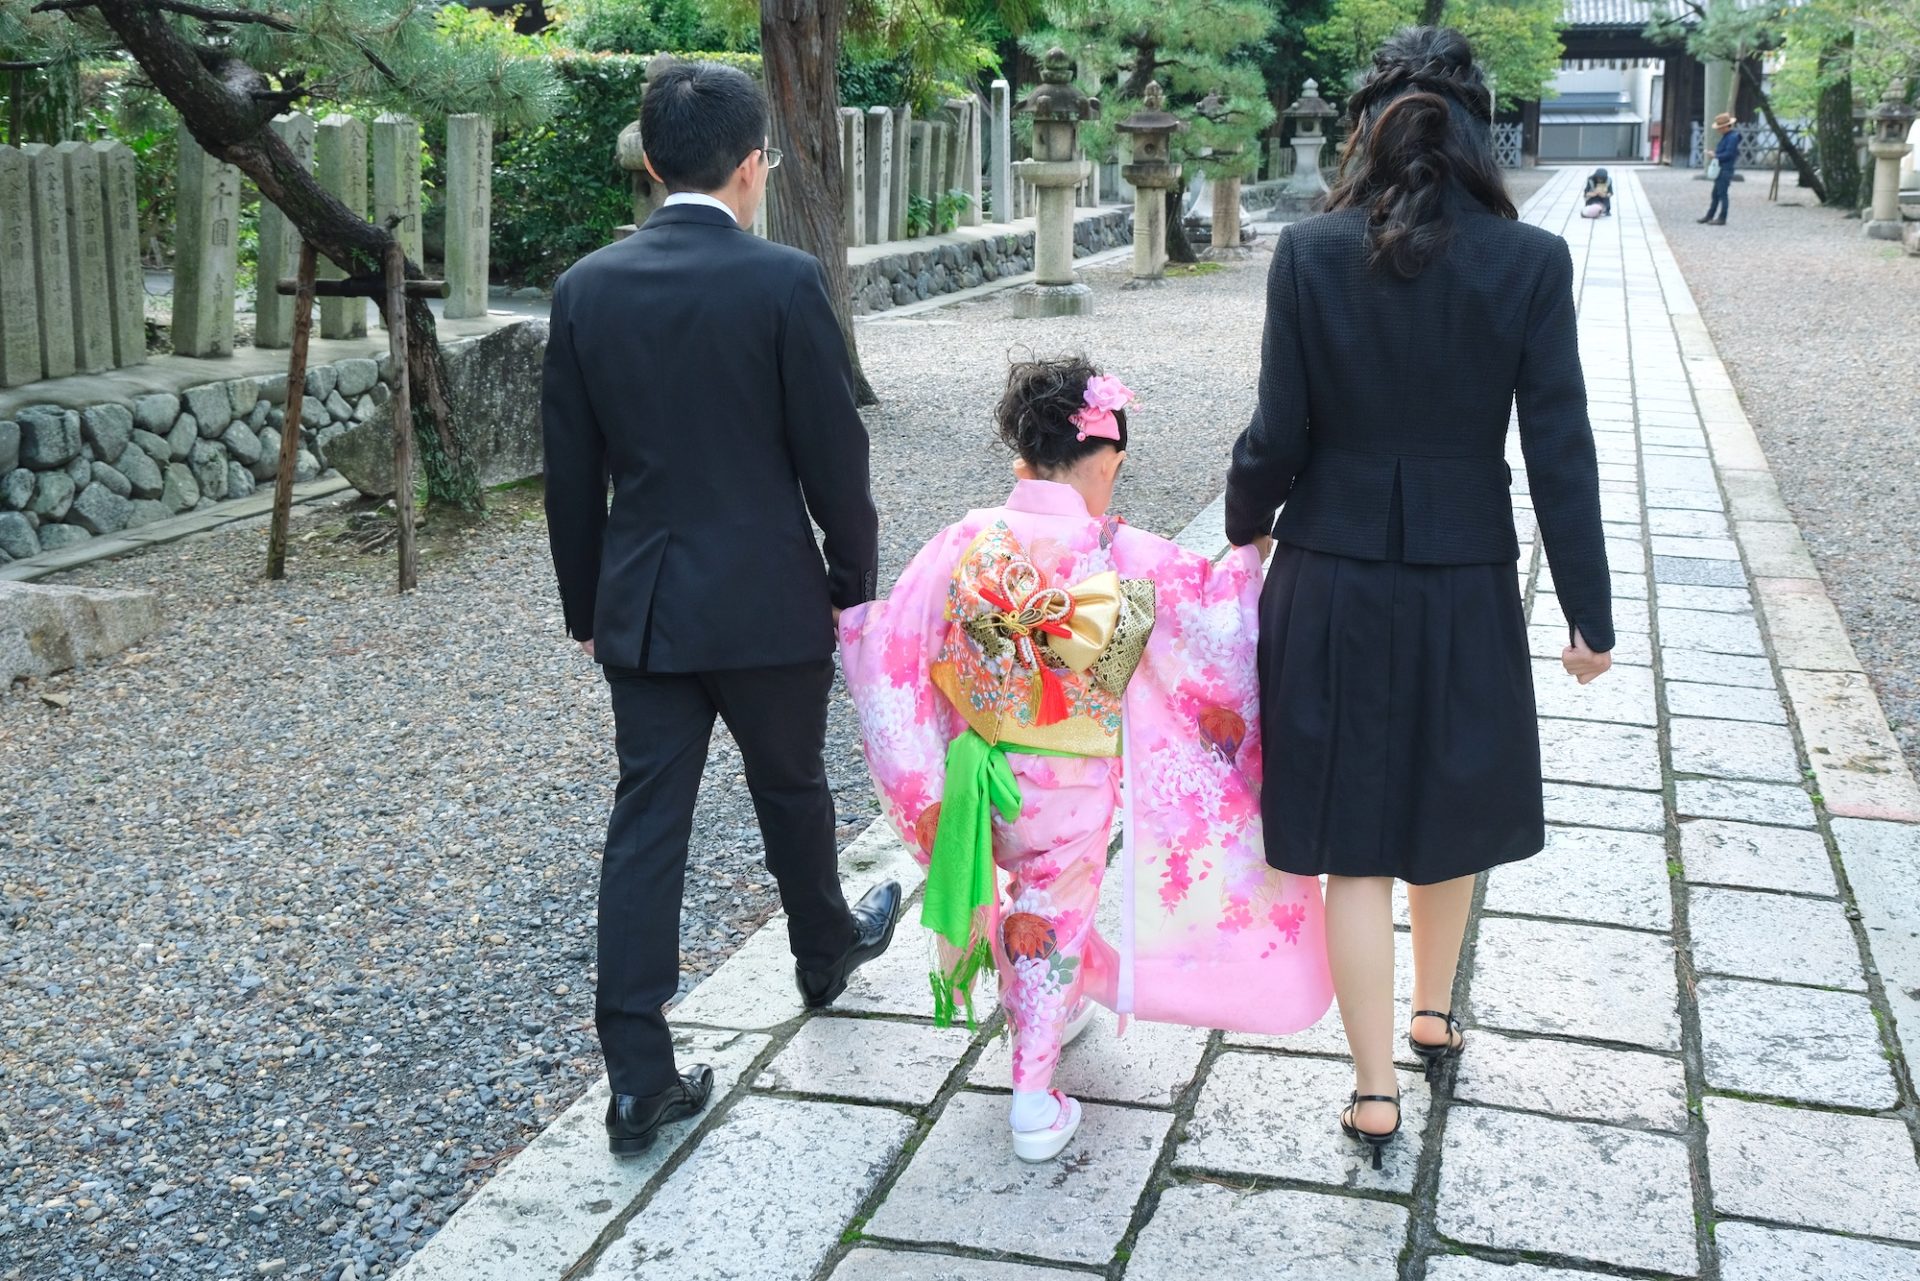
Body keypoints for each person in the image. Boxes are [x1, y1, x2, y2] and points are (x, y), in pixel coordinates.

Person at [1224, 26, 1614, 1169]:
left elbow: (1277, 435)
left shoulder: (1308, 253)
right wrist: (1588, 611)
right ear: (1479, 128)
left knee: (1355, 842)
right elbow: (1562, 449)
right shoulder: (1530, 263)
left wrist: (1243, 526)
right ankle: (1436, 1009)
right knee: (1448, 801)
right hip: (1464, 574)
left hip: (1334, 573)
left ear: (1364, 123)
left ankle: (1374, 1089)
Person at [541, 60, 903, 1157]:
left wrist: (586, 607)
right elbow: (832, 457)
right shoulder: (786, 284)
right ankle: (824, 949)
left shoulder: (586, 287)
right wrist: (852, 575)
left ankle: (638, 1077)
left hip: (644, 605)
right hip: (765, 594)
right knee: (792, 783)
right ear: (752, 167)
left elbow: (570, 474)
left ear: (652, 165)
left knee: (648, 822)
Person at [840, 356, 1332, 1163]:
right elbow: (1215, 625)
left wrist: (921, 780)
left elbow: (895, 649)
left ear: (1024, 462)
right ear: (1104, 462)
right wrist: (1250, 562)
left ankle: (1053, 1003)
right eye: (1117, 471)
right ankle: (1033, 1098)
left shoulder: (966, 539)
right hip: (1068, 791)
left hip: (979, 775)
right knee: (1050, 914)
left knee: (1026, 911)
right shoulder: (1120, 554)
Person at [1700, 112, 1741, 225]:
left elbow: (1729, 154)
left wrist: (1716, 155)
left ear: (1726, 126)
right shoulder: (1728, 137)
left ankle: (1722, 217)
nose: (1718, 130)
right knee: (1716, 194)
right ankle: (1710, 215)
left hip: (1725, 168)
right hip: (1722, 168)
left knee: (1722, 194)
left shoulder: (1732, 138)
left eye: (1720, 127)